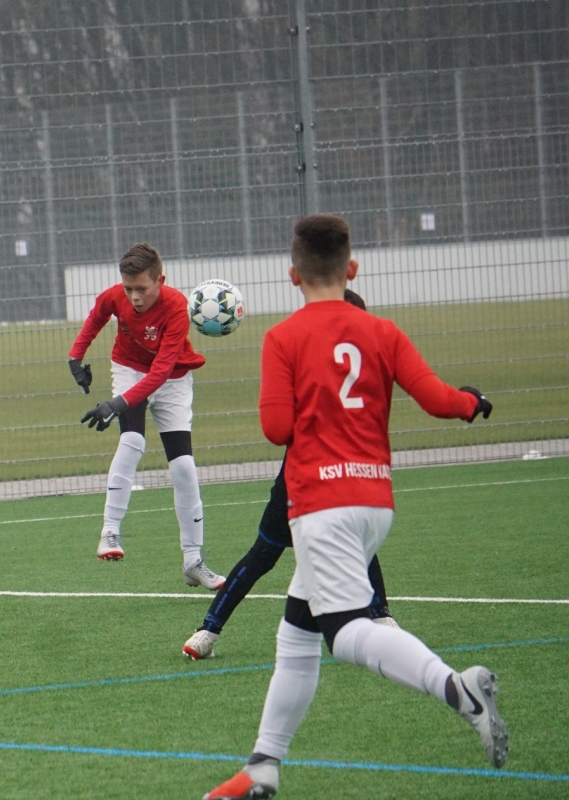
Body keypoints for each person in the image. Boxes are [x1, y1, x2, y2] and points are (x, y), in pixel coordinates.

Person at [202, 214, 508, 800]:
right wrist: (471, 402)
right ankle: (263, 766)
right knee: (297, 634)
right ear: (353, 269)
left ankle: (458, 689)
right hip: (373, 502)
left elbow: (276, 429)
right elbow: (438, 398)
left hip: (322, 505)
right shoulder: (381, 331)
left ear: (292, 275)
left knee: (344, 635)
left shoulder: (284, 337)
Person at [182, 290, 397, 661]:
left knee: (351, 546)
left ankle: (381, 619)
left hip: (330, 480)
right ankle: (209, 629)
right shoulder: (316, 366)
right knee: (269, 554)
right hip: (305, 483)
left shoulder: (353, 369)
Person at [68, 242, 225, 591]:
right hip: (128, 368)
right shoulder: (116, 296)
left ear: (160, 281)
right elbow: (96, 317)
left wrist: (116, 404)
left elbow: (161, 373)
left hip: (172, 378)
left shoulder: (176, 308)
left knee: (183, 467)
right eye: (129, 289)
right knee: (132, 440)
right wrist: (75, 357)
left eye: (141, 288)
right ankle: (110, 532)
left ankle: (193, 561)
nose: (134, 297)